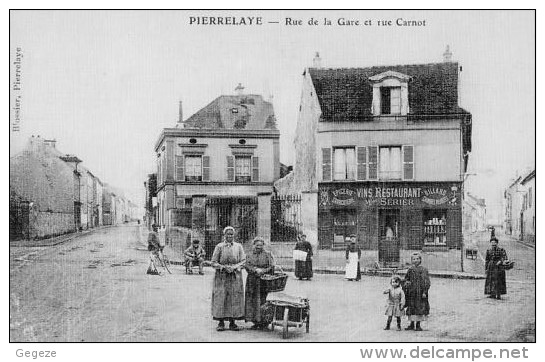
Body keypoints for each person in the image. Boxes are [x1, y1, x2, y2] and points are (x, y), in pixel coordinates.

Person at [211, 226, 246, 331]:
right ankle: (220, 322)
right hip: (221, 277)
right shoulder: (219, 247)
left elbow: (243, 261)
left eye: (231, 234)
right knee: (221, 297)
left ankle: (232, 322)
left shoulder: (238, 247)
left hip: (235, 276)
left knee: (234, 298)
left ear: (234, 235)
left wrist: (234, 267)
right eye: (228, 234)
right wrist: (223, 267)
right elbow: (213, 262)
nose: (230, 236)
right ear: (224, 235)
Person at [244, 237, 275, 330]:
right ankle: (255, 321)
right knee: (252, 300)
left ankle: (264, 322)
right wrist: (254, 270)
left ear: (263, 246)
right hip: (252, 280)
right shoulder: (249, 254)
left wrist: (263, 271)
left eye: (261, 245)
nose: (259, 247)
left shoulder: (267, 255)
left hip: (264, 281)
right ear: (254, 245)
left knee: (263, 301)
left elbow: (271, 266)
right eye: (257, 245)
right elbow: (246, 265)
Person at [403, 253, 430, 331]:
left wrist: (425, 291)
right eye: (414, 259)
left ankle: (418, 325)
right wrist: (406, 283)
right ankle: (411, 324)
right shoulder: (410, 270)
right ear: (411, 261)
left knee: (419, 308)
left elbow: (426, 282)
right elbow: (406, 279)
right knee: (411, 307)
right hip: (411, 292)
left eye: (417, 259)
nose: (416, 260)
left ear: (420, 260)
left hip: (420, 293)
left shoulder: (424, 270)